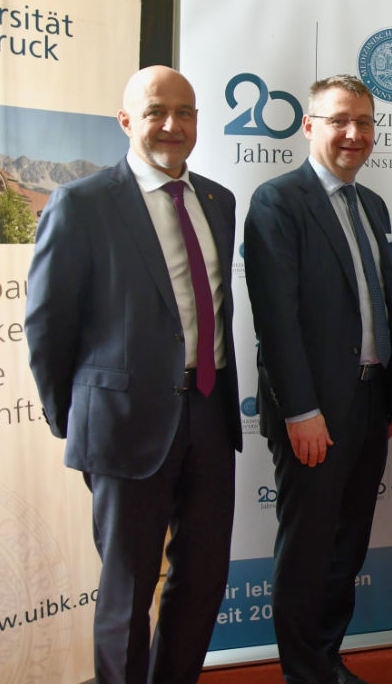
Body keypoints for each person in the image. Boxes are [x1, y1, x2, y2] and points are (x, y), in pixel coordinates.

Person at [25, 65, 242, 684]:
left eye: (186, 112)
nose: (172, 125)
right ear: (126, 121)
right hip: (122, 428)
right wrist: (75, 420)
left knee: (202, 582)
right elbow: (47, 324)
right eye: (155, 112)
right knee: (127, 593)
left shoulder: (218, 201)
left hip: (208, 415)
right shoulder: (83, 203)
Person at [244, 74, 392, 684]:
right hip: (312, 410)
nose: (353, 134)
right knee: (309, 548)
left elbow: (382, 306)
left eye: (363, 122)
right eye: (339, 120)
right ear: (309, 125)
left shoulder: (374, 206)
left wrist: (388, 391)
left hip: (368, 401)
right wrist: (300, 412)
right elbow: (276, 320)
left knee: (347, 546)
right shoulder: (277, 201)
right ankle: (304, 673)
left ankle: (326, 659)